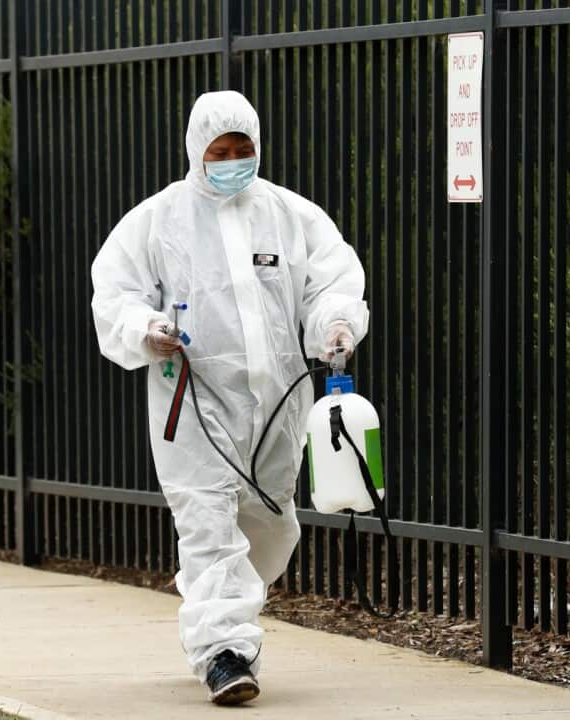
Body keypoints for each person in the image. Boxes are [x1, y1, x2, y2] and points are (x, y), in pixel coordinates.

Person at [89, 90, 368, 706]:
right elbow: (115, 293)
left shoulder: (293, 216)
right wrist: (147, 330)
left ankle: (213, 596)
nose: (233, 160)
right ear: (197, 150)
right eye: (221, 150)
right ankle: (224, 652)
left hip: (277, 405)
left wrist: (336, 323)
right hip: (190, 406)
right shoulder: (158, 220)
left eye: (244, 149)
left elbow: (332, 279)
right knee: (210, 526)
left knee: (269, 527)